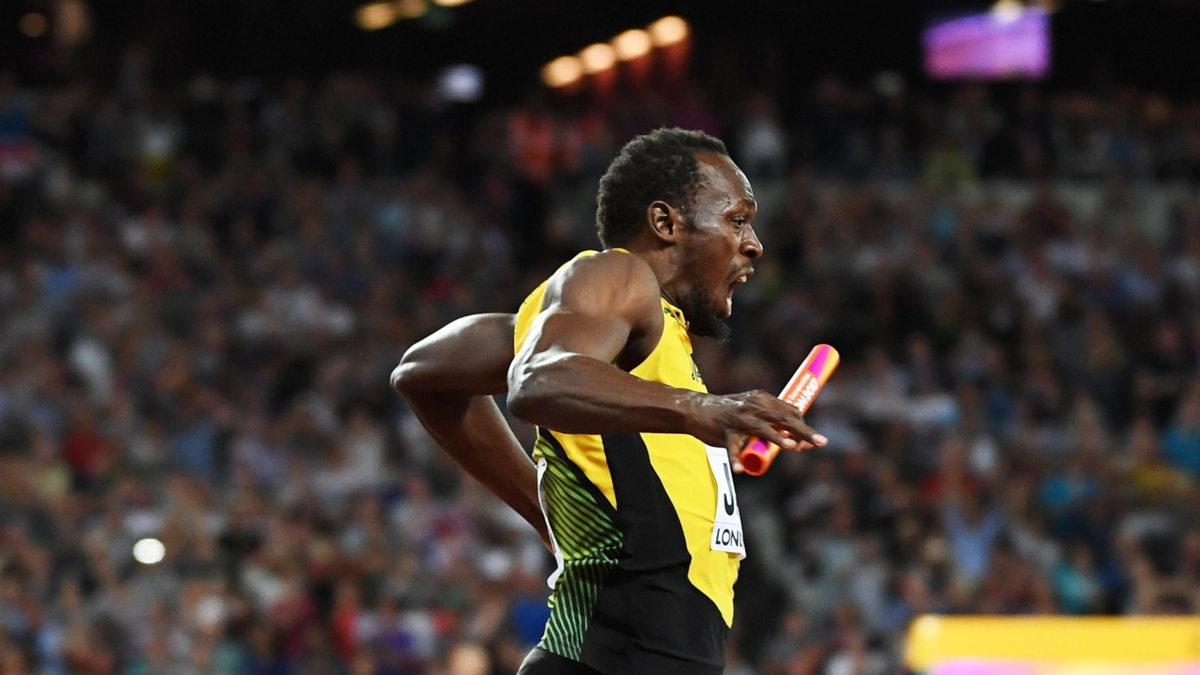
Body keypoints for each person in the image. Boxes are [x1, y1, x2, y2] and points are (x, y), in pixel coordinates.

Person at [393, 128, 826, 675]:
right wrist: (699, 409)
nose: (754, 243)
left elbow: (423, 374)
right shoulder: (619, 275)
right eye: (737, 219)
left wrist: (540, 510)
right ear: (666, 223)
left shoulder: (626, 340)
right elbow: (538, 377)